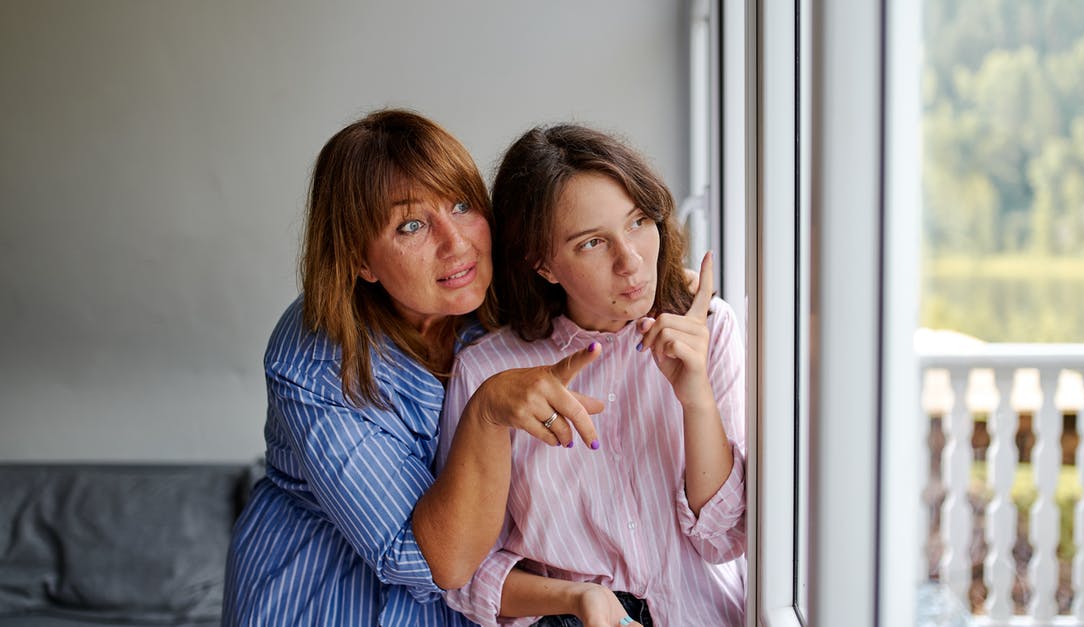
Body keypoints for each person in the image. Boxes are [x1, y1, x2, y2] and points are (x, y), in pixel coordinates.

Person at [222, 110, 609, 625]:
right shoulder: (315, 360)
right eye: (412, 226)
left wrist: (667, 293)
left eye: (461, 204)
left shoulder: (511, 291)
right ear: (360, 259)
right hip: (319, 598)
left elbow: (605, 293)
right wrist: (487, 410)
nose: (457, 243)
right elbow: (428, 559)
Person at [439, 124, 747, 627]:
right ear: (542, 264)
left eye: (638, 222)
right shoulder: (488, 372)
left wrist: (696, 399)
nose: (631, 261)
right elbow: (469, 574)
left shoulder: (711, 329)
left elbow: (724, 539)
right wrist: (579, 598)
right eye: (591, 243)